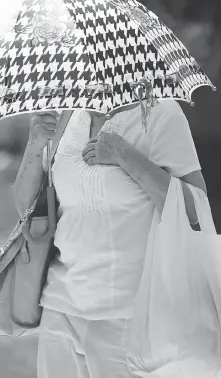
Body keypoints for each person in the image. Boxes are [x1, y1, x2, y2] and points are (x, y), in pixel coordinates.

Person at [13, 99, 207, 378]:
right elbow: (26, 210)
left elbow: (195, 209)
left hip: (127, 314)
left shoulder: (159, 113)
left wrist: (124, 155)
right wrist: (35, 144)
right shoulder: (67, 115)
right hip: (61, 305)